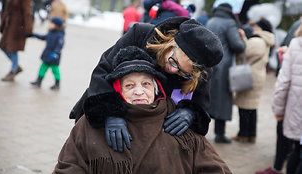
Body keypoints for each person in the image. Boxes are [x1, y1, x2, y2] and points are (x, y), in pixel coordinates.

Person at [54, 46, 232, 174]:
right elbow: (69, 167)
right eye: (129, 85)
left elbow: (214, 168)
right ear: (117, 90)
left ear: (156, 89)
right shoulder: (91, 124)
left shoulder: (177, 121)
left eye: (146, 84)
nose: (138, 91)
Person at [69, 16, 223, 152]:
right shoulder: (139, 34)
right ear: (171, 43)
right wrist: (110, 112)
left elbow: (201, 105)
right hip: (108, 113)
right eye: (173, 60)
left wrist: (191, 113)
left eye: (182, 72)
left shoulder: (201, 68)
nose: (171, 69)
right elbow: (102, 72)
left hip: (151, 132)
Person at [205, 3, 246, 143]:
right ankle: (219, 134)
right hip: (224, 66)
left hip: (210, 64)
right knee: (222, 100)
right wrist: (243, 39)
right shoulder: (229, 23)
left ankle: (201, 131)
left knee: (208, 98)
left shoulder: (210, 21)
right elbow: (237, 46)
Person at [232, 18, 275, 143]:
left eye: (255, 26)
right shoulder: (267, 40)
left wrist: (243, 38)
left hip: (250, 76)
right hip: (258, 74)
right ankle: (251, 134)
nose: (254, 28)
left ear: (260, 27)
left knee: (244, 106)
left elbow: (244, 52)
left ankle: (244, 134)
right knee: (252, 106)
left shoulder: (257, 40)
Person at [270, 24, 302, 174]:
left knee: (297, 150)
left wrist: (278, 109)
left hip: (297, 108)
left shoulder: (296, 44)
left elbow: (283, 83)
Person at [0, 0, 33, 81]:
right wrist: (2, 25)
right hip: (9, 27)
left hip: (18, 28)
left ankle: (13, 70)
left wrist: (29, 29)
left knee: (13, 49)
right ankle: (16, 66)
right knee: (2, 46)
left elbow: (27, 13)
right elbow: (6, 11)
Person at [29, 16, 65, 90]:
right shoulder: (50, 33)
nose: (50, 25)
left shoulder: (60, 35)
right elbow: (43, 37)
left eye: (52, 24)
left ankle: (57, 83)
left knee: (55, 70)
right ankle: (38, 81)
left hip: (54, 56)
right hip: (47, 54)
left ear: (56, 25)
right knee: (42, 68)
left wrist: (56, 53)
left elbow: (60, 45)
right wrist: (34, 35)